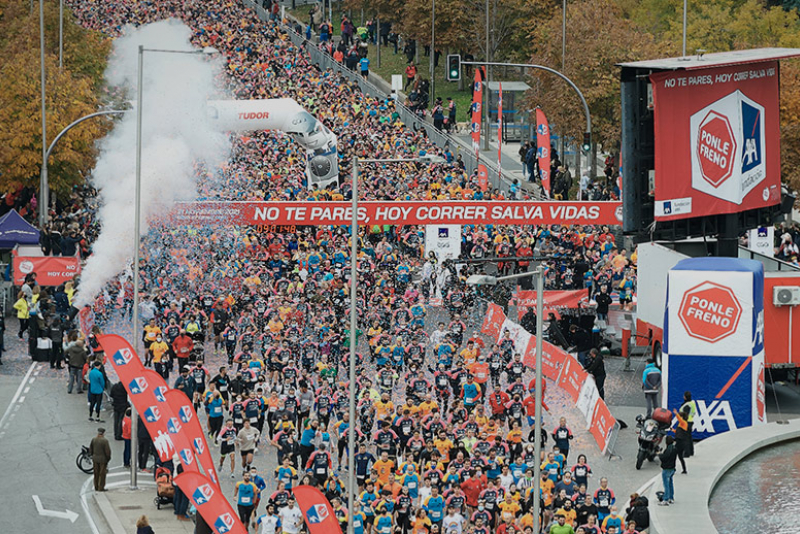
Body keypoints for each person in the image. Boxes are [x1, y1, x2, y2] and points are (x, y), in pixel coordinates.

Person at [89, 427, 111, 491]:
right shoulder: (105, 441)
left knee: (96, 473)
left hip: (95, 459)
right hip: (103, 459)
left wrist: (92, 455)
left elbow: (91, 449)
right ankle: (101, 487)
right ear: (103, 433)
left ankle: (96, 486)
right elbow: (107, 452)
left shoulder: (94, 439)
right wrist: (108, 459)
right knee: (102, 474)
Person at [658, 436, 677, 505]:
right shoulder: (674, 448)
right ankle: (671, 498)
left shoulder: (668, 450)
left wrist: (660, 454)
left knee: (666, 485)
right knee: (670, 484)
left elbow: (665, 458)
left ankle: (665, 499)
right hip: (672, 468)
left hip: (667, 469)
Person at [673, 406, 691, 474]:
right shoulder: (681, 424)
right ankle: (684, 469)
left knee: (675, 455)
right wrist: (672, 430)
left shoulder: (684, 423)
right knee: (680, 457)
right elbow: (678, 431)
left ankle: (673, 468)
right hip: (679, 441)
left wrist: (676, 413)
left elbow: (679, 419)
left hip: (681, 442)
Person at [679, 392, 696, 456]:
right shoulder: (692, 403)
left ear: (685, 397)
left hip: (686, 422)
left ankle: (687, 453)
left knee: (685, 438)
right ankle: (691, 451)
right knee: (689, 438)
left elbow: (685, 414)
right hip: (691, 421)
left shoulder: (686, 405)